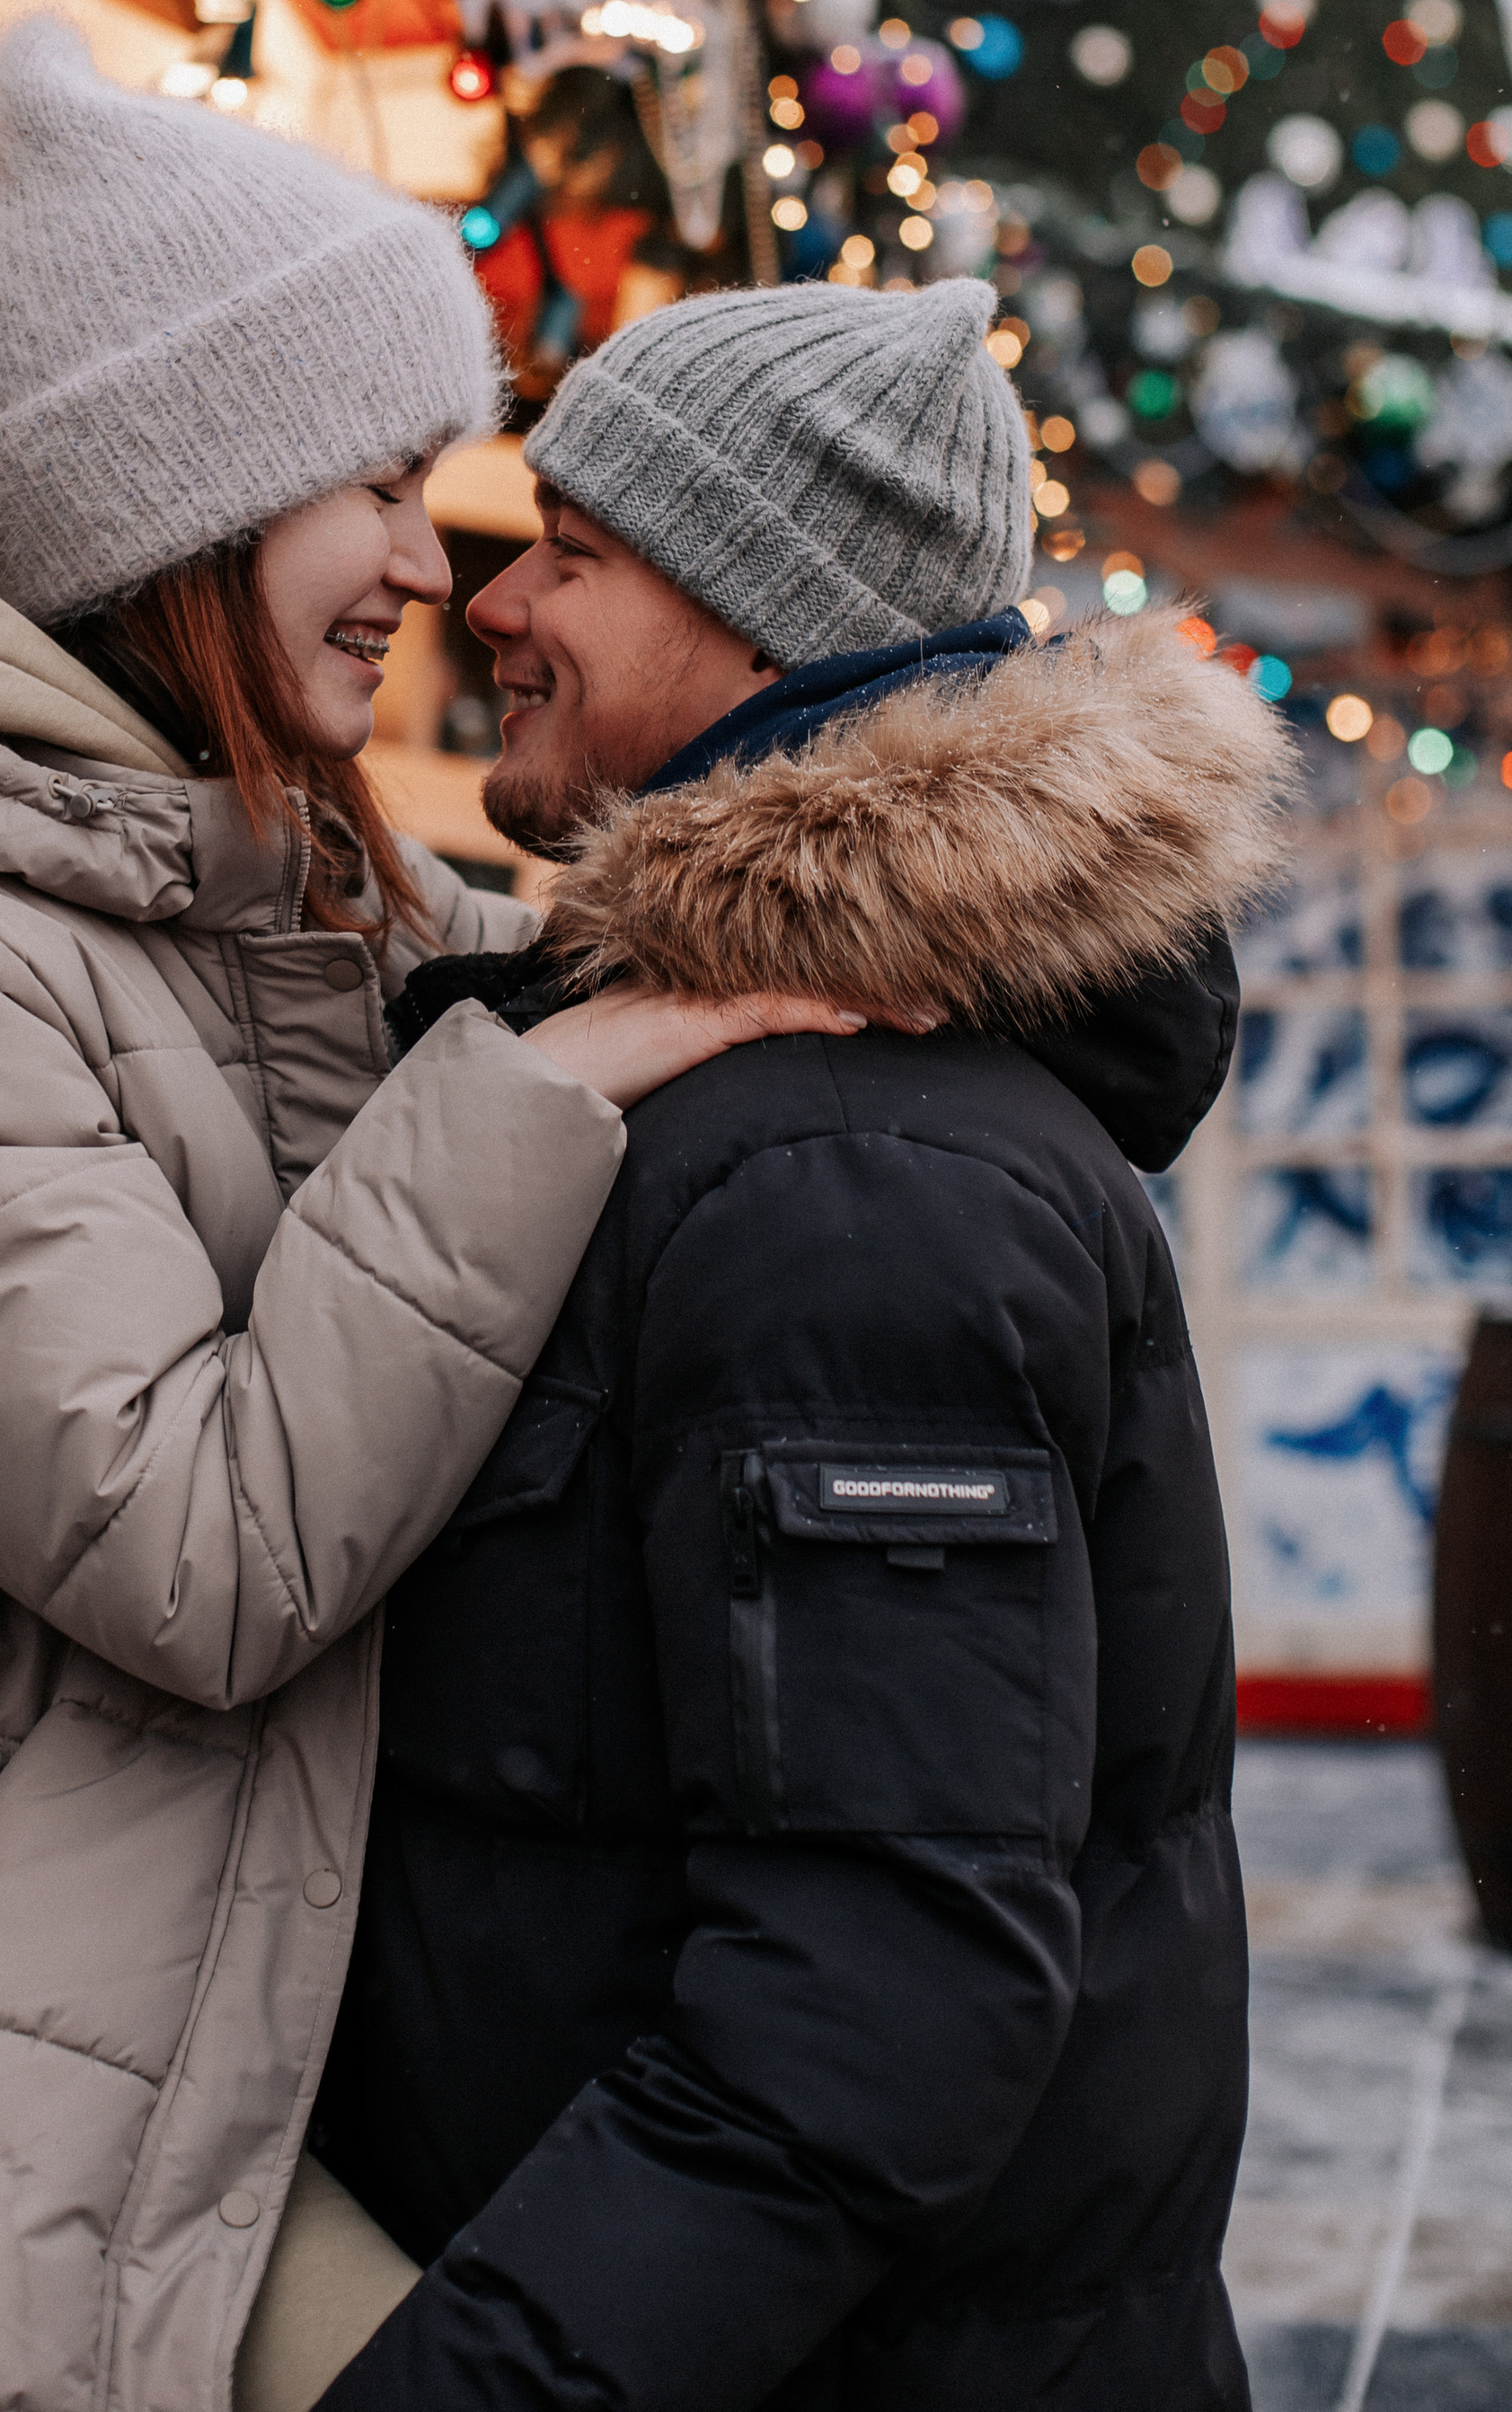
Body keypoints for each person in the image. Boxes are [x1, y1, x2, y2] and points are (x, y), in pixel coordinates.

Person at [0, 22, 861, 2412]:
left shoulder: (233, 889)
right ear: (185, 509)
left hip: (109, 2032)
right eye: (374, 489)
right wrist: (542, 1088)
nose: (434, 568)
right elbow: (201, 1547)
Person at [304, 277, 1300, 2412]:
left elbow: (882, 1984)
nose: (494, 598)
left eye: (569, 548)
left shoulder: (843, 1163)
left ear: (761, 621)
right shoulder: (716, 1090)